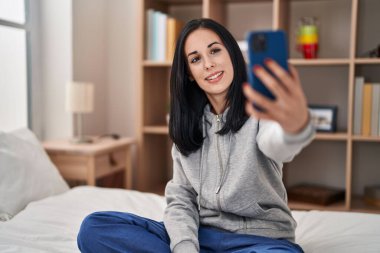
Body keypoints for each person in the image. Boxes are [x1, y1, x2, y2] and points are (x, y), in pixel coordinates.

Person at [77, 18, 314, 253]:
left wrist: (295, 127)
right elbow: (181, 198)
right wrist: (184, 247)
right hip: (202, 237)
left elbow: (277, 145)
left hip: (261, 241)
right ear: (189, 72)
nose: (208, 64)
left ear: (231, 53)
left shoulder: (261, 112)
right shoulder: (188, 124)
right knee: (94, 228)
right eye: (196, 59)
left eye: (215, 51)